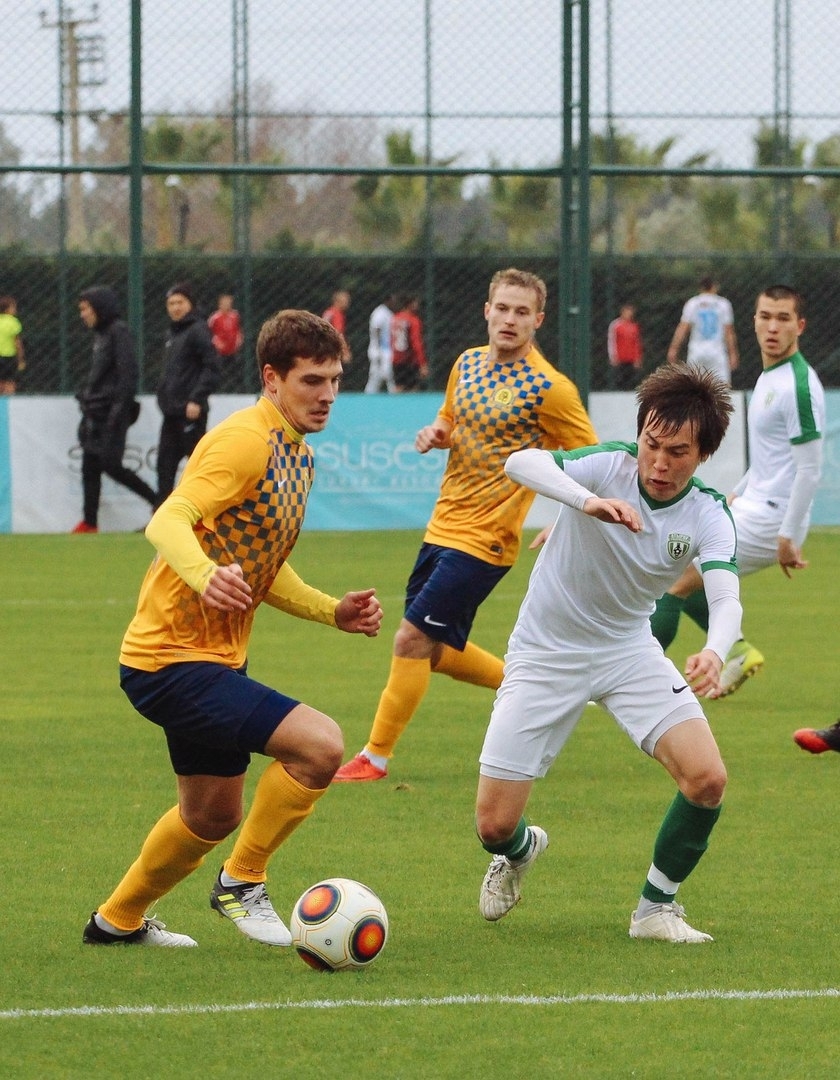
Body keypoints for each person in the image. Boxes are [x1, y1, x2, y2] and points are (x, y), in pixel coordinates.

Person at [82, 309, 384, 948]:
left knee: (211, 815)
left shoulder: (297, 455)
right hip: (169, 660)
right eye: (311, 381)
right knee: (321, 746)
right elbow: (168, 520)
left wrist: (332, 610)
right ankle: (242, 882)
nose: (327, 395)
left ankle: (116, 922)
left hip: (212, 660)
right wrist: (201, 575)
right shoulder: (245, 440)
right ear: (272, 378)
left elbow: (262, 566)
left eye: (334, 379)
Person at [475, 364, 740, 944]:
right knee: (493, 825)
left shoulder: (708, 512)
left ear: (704, 454)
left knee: (707, 779)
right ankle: (521, 850)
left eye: (678, 452)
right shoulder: (608, 466)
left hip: (628, 651)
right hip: (545, 652)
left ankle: (655, 910)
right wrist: (586, 501)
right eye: (651, 444)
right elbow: (520, 462)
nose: (659, 463)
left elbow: (725, 597)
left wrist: (716, 651)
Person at [333, 268, 597, 783]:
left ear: (538, 320)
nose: (510, 319)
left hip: (488, 538)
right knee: (431, 652)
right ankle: (540, 686)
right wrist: (439, 432)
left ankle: (375, 757)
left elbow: (592, 459)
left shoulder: (551, 388)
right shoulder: (467, 363)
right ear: (487, 310)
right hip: (442, 526)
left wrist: (570, 518)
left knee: (410, 639)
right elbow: (451, 418)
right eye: (503, 308)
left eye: (522, 312)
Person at [651, 284, 825, 698]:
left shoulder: (799, 386)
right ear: (753, 321)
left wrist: (788, 536)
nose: (773, 327)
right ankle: (739, 650)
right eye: (766, 317)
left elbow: (810, 469)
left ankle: (632, 676)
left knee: (673, 578)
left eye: (783, 319)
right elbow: (769, 458)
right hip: (754, 505)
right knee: (684, 565)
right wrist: (736, 492)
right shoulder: (770, 377)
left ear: (799, 326)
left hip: (771, 518)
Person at [72, 286, 157, 534]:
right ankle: (89, 522)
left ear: (99, 308)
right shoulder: (101, 335)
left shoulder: (118, 331)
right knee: (89, 466)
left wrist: (118, 412)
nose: (83, 314)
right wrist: (87, 395)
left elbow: (128, 374)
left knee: (110, 464)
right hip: (95, 412)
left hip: (112, 414)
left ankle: (158, 502)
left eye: (86, 309)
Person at [155, 282, 221, 506]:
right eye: (171, 303)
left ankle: (211, 511)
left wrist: (196, 399)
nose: (175, 307)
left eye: (180, 302)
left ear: (190, 304)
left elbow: (212, 367)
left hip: (190, 413)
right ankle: (162, 517)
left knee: (199, 467)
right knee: (164, 467)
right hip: (171, 412)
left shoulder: (198, 330)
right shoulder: (172, 333)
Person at [667, 275, 739, 384]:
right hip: (717, 351)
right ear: (714, 286)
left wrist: (673, 349)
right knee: (722, 386)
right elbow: (729, 332)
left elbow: (682, 329)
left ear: (700, 287)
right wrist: (733, 353)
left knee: (694, 386)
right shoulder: (723, 304)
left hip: (696, 350)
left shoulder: (692, 303)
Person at [390, 295, 428, 392]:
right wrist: (422, 363)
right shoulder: (413, 320)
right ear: (410, 304)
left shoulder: (395, 318)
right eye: (415, 303)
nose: (417, 305)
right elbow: (416, 343)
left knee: (398, 387)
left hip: (396, 359)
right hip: (410, 359)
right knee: (413, 389)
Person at [207, 292, 244, 392]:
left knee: (237, 372)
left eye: (229, 302)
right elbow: (209, 333)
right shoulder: (215, 317)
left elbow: (238, 329)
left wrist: (239, 339)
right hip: (219, 352)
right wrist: (216, 343)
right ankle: (217, 390)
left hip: (233, 350)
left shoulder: (235, 315)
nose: (227, 304)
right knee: (218, 371)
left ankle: (238, 391)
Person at [365, 293, 398, 394]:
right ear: (388, 300)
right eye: (393, 300)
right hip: (380, 348)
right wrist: (378, 348)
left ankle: (372, 393)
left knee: (381, 374)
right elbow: (377, 329)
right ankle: (371, 394)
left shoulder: (388, 312)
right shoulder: (380, 312)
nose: (395, 303)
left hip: (386, 348)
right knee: (381, 374)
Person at [607, 303, 643, 390]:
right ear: (622, 312)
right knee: (619, 380)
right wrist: (613, 356)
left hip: (631, 358)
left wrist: (638, 358)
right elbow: (611, 341)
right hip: (619, 358)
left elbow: (637, 343)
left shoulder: (634, 326)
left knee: (631, 380)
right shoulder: (615, 325)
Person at [0, 296, 25, 395]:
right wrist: (20, 359)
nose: (15, 310)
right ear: (7, 309)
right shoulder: (13, 322)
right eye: (13, 307)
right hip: (9, 356)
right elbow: (17, 342)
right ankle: (9, 398)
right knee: (10, 381)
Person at [322, 289, 351, 362]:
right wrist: (345, 350)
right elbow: (338, 332)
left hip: (324, 345)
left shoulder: (328, 312)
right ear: (337, 301)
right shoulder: (337, 314)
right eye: (345, 301)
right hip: (333, 346)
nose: (347, 303)